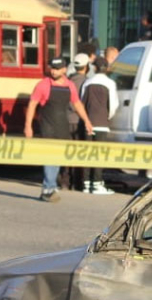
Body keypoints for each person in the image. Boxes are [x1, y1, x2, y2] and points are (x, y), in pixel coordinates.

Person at [25, 57, 93, 202]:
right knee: (50, 156)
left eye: (57, 68)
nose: (54, 71)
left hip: (62, 125)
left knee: (57, 157)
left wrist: (87, 121)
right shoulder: (43, 85)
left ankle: (48, 188)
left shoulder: (70, 86)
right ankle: (49, 187)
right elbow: (32, 105)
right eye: (52, 68)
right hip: (47, 126)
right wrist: (28, 126)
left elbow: (77, 104)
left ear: (64, 69)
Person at [81, 57, 119, 195]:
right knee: (99, 154)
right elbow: (113, 105)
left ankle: (86, 183)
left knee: (87, 153)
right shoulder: (110, 83)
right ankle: (97, 184)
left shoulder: (87, 82)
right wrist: (107, 117)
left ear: (94, 68)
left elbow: (81, 102)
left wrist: (85, 119)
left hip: (88, 123)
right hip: (102, 123)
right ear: (107, 68)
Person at [65, 49, 93, 191]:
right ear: (86, 66)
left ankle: (65, 181)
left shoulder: (67, 81)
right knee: (77, 153)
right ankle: (76, 183)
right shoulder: (86, 82)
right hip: (78, 121)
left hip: (65, 120)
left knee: (66, 152)